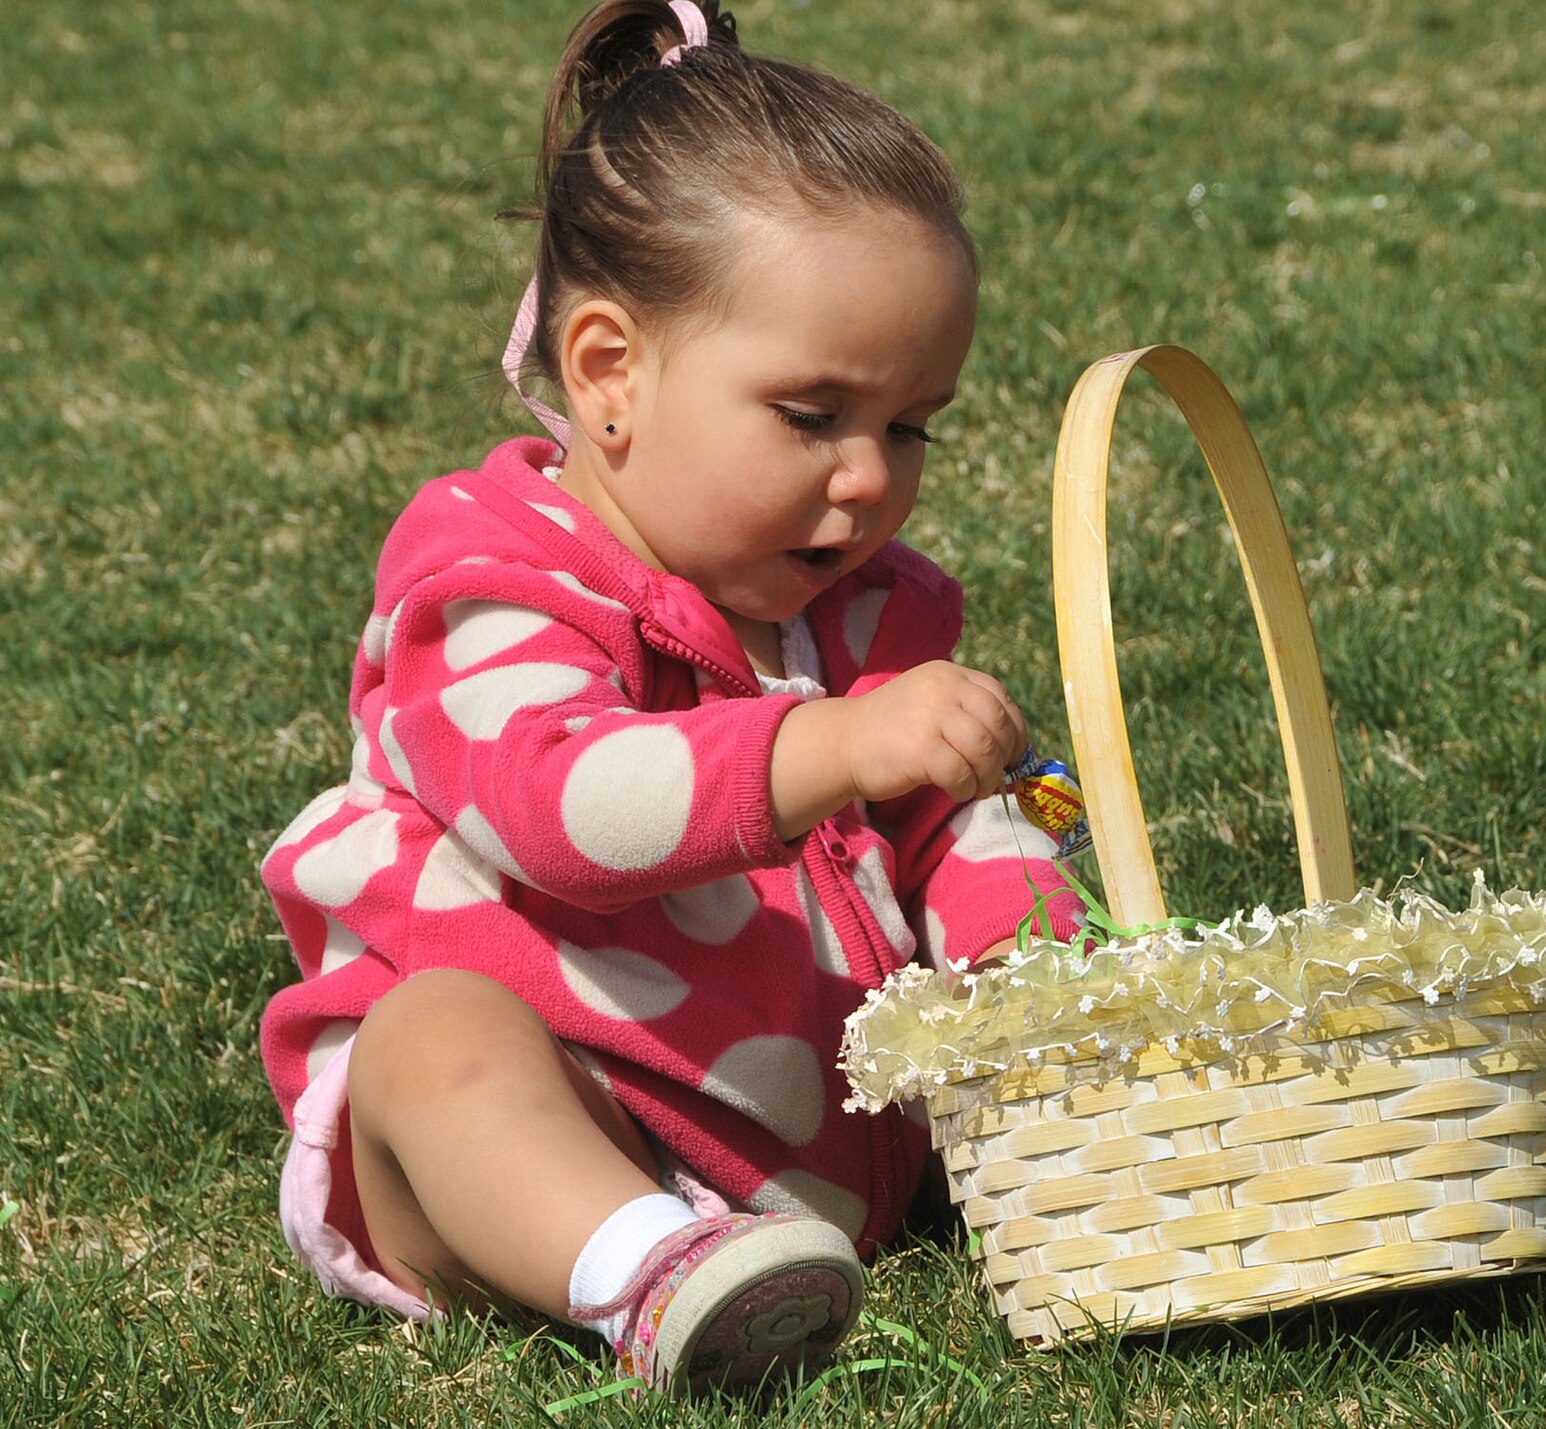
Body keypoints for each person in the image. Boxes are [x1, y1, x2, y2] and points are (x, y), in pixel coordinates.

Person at [258, 0, 1083, 1395]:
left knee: (1039, 888)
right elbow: (561, 810)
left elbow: (955, 828)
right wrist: (823, 743)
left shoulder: (870, 613)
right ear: (609, 372)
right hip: (540, 1125)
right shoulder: (489, 578)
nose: (873, 474)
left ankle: (1286, 1128)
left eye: (911, 422)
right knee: (432, 1041)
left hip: (806, 1144)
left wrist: (1036, 965)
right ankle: (635, 1265)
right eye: (813, 415)